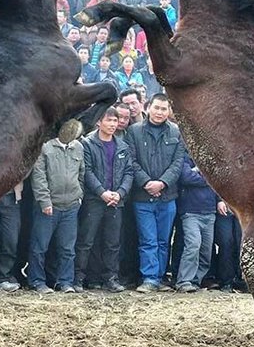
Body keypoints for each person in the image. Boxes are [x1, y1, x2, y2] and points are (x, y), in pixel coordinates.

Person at [126, 93, 184, 292]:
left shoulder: (176, 132)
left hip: (167, 196)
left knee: (163, 240)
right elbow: (131, 162)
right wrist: (148, 183)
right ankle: (149, 278)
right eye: (156, 108)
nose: (159, 112)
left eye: (164, 109)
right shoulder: (134, 131)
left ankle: (160, 278)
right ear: (148, 107)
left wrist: (162, 183)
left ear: (169, 111)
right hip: (142, 196)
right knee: (148, 239)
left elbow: (177, 164)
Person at [75, 107, 133, 293]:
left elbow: (129, 172)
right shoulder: (88, 144)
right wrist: (102, 192)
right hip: (94, 200)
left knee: (112, 242)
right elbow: (87, 171)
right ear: (99, 122)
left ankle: (111, 277)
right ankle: (81, 278)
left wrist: (120, 193)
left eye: (115, 121)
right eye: (109, 121)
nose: (113, 125)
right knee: (87, 240)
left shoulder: (123, 146)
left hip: (116, 201)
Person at [29, 121, 85, 294]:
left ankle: (65, 281)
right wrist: (45, 201)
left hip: (71, 206)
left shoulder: (78, 148)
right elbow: (39, 176)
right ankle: (37, 281)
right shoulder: (46, 147)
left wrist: (79, 196)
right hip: (49, 206)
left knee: (67, 248)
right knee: (40, 246)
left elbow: (81, 173)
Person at [175, 149, 217, 293]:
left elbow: (219, 177)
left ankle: (196, 281)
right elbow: (186, 177)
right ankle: (184, 281)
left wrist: (199, 173)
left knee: (206, 250)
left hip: (210, 211)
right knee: (193, 245)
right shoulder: (185, 156)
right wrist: (208, 178)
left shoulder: (212, 156)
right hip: (190, 211)